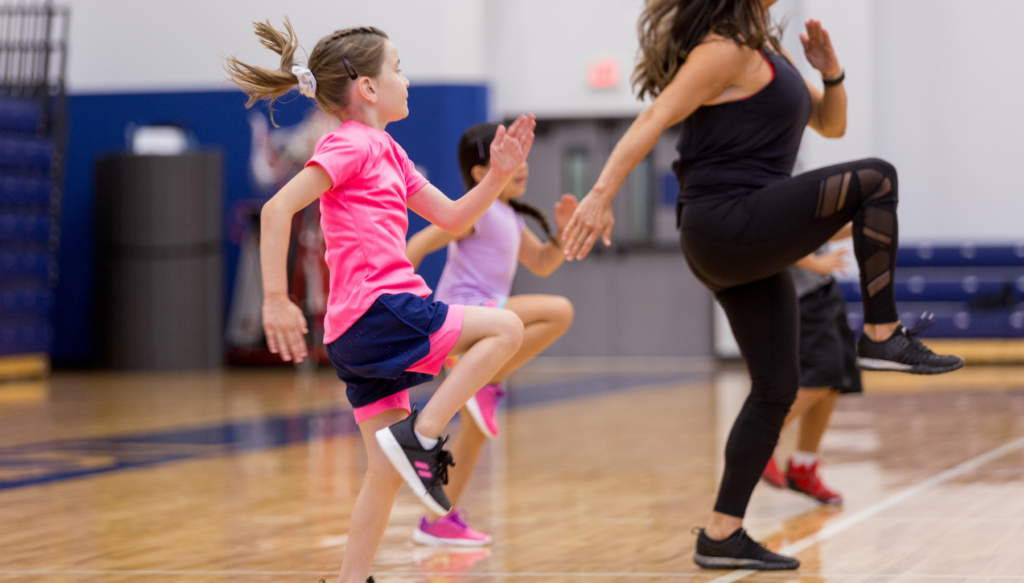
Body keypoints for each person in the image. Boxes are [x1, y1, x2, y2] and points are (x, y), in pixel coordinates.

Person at [559, 0, 964, 570]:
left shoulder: (764, 51)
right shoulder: (720, 50)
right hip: (726, 220)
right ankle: (880, 333)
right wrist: (601, 195)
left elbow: (831, 123)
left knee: (776, 386)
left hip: (742, 231)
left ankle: (721, 534)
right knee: (877, 179)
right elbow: (652, 120)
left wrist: (830, 71)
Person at [225, 20, 536, 583]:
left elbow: (454, 217)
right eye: (397, 68)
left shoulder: (387, 151)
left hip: (356, 332)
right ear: (367, 88)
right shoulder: (348, 143)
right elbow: (276, 210)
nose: (407, 79)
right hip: (383, 309)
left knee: (384, 471)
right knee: (507, 330)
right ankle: (424, 431)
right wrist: (275, 298)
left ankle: (351, 578)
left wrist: (499, 176)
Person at [405, 122, 576, 546]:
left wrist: (562, 231)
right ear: (483, 173)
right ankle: (488, 381)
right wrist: (399, 299)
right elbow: (419, 244)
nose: (524, 167)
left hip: (487, 320)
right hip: (467, 317)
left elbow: (543, 263)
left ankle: (439, 520)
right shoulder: (474, 212)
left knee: (476, 432)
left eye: (523, 156)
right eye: (512, 157)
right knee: (558, 311)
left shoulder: (510, 217)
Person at [761, 226, 860, 505]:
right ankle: (760, 441)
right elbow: (776, 234)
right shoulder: (770, 183)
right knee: (821, 373)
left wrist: (862, 220)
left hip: (823, 288)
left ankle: (804, 467)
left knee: (834, 380)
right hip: (798, 295)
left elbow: (812, 229)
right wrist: (815, 263)